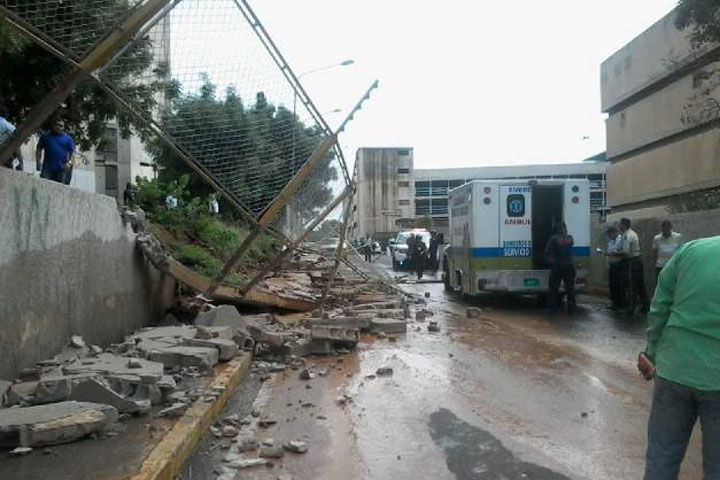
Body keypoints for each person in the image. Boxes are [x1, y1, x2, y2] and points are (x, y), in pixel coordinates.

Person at [640, 236, 720, 480]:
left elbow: (660, 306)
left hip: (674, 369)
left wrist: (650, 353)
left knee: (661, 457)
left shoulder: (692, 250)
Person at [619, 217, 650, 313]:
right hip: (637, 259)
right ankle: (645, 306)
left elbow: (626, 252)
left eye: (620, 224)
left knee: (632, 284)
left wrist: (616, 253)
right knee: (640, 284)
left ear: (624, 225)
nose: (619, 225)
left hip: (632, 261)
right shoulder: (633, 233)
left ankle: (631, 308)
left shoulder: (626, 236)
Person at [545, 221, 576, 313]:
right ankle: (571, 305)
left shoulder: (553, 239)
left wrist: (550, 262)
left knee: (553, 288)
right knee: (570, 288)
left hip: (558, 266)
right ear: (565, 228)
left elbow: (548, 253)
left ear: (556, 229)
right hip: (569, 266)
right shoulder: (570, 238)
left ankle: (552, 308)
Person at [36, 118, 75, 184]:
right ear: (53, 125)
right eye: (57, 125)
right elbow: (38, 149)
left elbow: (73, 153)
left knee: (61, 189)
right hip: (47, 169)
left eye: (61, 126)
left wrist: (69, 163)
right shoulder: (45, 136)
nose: (58, 127)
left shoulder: (68, 139)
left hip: (61, 169)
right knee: (44, 186)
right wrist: (38, 161)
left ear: (63, 127)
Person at [605, 225, 626, 310]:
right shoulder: (610, 242)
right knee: (612, 285)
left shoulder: (621, 240)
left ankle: (621, 304)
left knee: (620, 285)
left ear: (615, 232)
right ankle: (614, 303)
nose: (609, 236)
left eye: (610, 234)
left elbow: (624, 252)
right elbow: (609, 252)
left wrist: (614, 253)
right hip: (612, 266)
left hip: (620, 265)